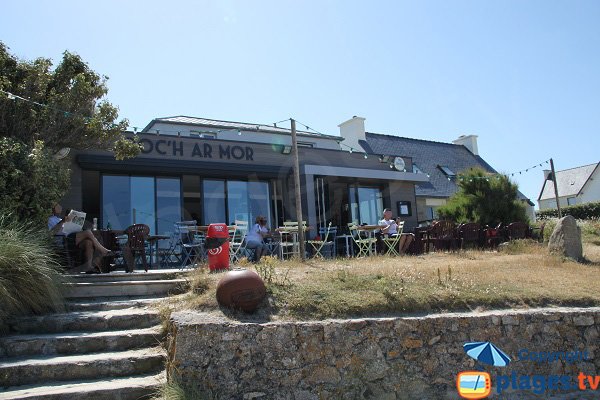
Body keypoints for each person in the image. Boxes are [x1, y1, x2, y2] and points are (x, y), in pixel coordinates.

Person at [49, 204, 112, 273]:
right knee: (88, 232)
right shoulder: (51, 220)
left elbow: (67, 229)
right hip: (63, 241)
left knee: (88, 242)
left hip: (71, 239)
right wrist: (63, 221)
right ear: (53, 209)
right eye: (58, 206)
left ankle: (88, 266)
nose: (60, 207)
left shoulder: (60, 218)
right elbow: (52, 232)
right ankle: (102, 250)